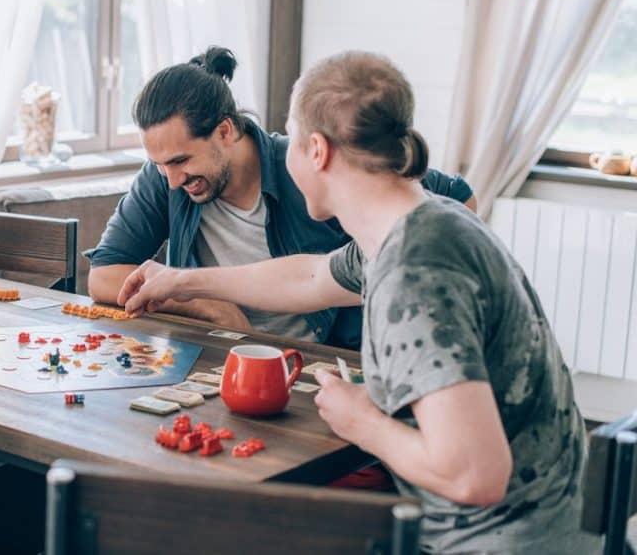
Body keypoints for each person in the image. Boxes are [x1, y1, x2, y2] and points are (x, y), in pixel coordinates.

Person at [118, 51, 596, 553]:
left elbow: (475, 476)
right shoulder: (420, 223)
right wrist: (182, 281)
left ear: (317, 151)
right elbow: (308, 276)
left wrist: (362, 421)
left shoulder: (414, 271)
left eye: (292, 141)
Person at [85, 46, 476, 349]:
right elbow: (308, 276)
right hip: (223, 357)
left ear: (225, 131)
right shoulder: (356, 261)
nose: (170, 181)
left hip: (319, 364)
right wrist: (202, 299)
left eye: (180, 160)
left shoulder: (317, 174)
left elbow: (459, 198)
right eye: (160, 165)